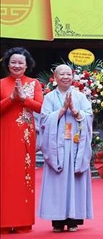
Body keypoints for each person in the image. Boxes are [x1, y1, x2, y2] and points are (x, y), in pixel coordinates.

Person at [38, 64, 94, 232]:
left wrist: (76, 112)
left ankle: (73, 219)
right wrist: (62, 110)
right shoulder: (49, 98)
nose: (65, 77)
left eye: (68, 74)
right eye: (61, 74)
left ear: (73, 77)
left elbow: (89, 116)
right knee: (57, 182)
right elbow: (43, 120)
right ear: (55, 77)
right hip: (57, 147)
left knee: (76, 181)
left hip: (76, 145)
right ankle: (57, 220)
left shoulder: (80, 96)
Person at [0, 47, 43, 234]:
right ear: (7, 64)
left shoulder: (34, 84)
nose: (17, 65)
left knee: (24, 177)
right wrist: (11, 98)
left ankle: (22, 221)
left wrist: (24, 98)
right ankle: (3, 220)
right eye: (13, 62)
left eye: (21, 63)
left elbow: (41, 108)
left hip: (25, 135)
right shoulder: (1, 83)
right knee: (5, 177)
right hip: (4, 135)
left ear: (27, 65)